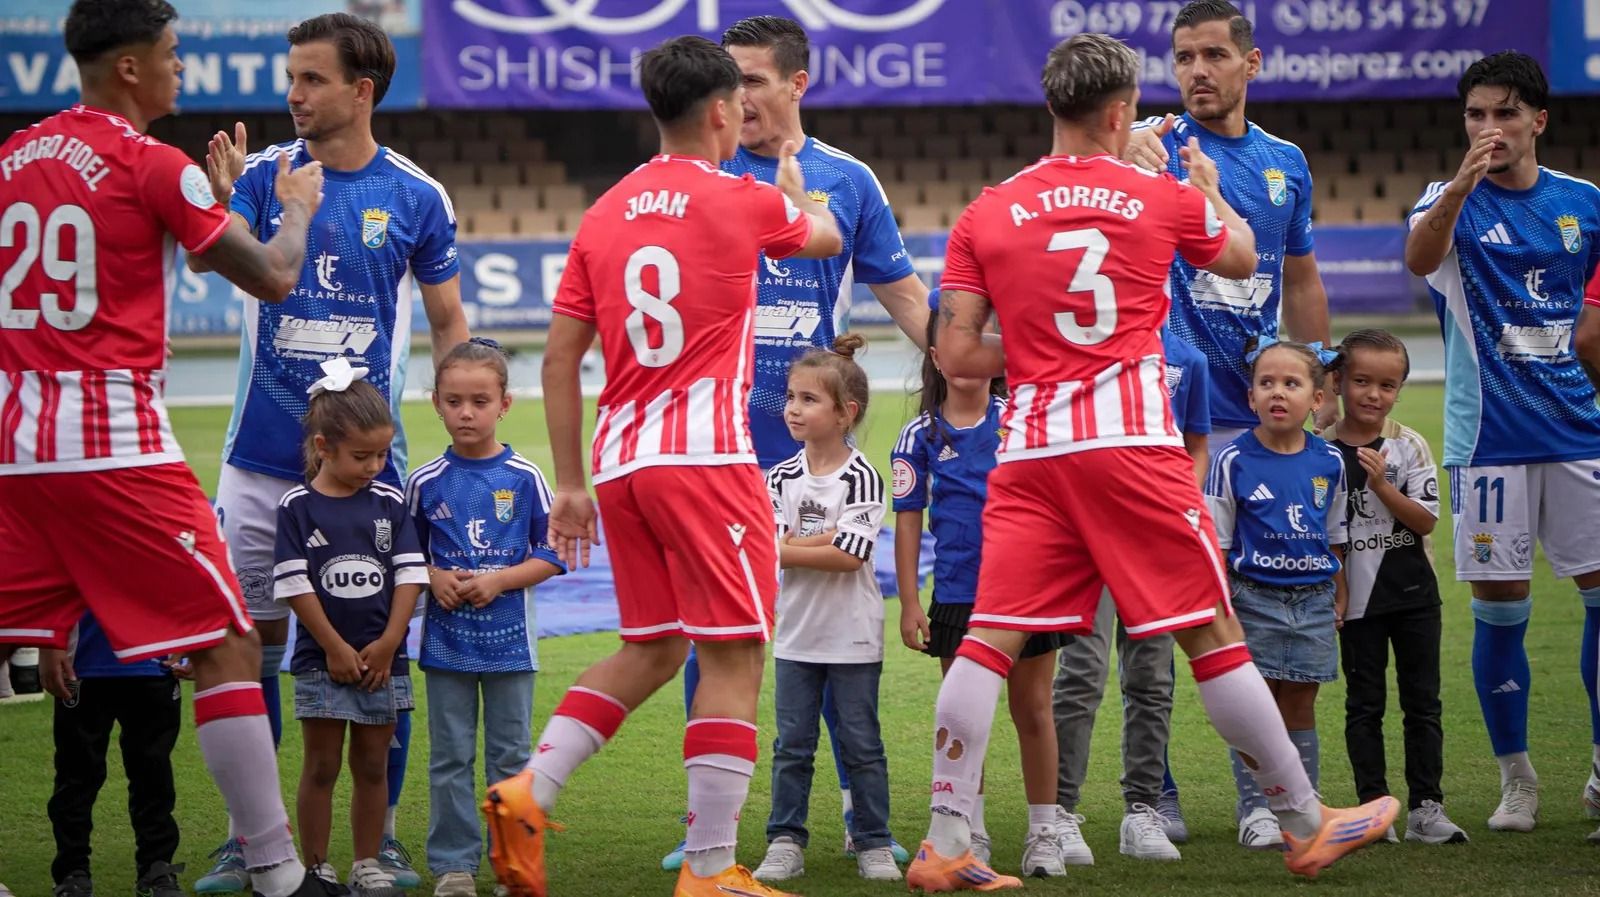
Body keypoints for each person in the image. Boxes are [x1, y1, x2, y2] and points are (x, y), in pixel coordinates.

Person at [902, 34, 1397, 892]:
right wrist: (1206, 189)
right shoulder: (1157, 194)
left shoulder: (988, 210)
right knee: (1209, 626)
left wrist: (1039, 346)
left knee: (989, 638)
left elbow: (956, 355)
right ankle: (1306, 821)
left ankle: (947, 837)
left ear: (1052, 106)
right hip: (1131, 444)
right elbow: (1243, 259)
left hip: (1031, 450)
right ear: (1121, 111)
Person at [481, 35, 841, 897]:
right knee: (734, 655)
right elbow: (824, 238)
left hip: (621, 462)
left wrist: (568, 485)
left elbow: (559, 360)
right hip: (707, 459)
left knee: (650, 645)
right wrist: (800, 195)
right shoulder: (745, 197)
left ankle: (530, 787)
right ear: (721, 112)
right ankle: (712, 869)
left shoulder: (604, 212)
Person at [0, 1, 339, 894]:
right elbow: (270, 272)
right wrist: (294, 209)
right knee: (228, 644)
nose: (181, 70)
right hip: (111, 443)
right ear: (129, 70)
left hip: (13, 442)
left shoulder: (9, 162)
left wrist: (215, 199)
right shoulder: (147, 160)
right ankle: (277, 870)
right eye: (174, 55)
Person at [189, 13, 468, 891]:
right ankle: (255, 835)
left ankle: (377, 840)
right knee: (249, 647)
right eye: (291, 78)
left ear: (361, 90)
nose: (293, 95)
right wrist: (230, 200)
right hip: (259, 461)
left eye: (311, 79)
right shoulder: (267, 177)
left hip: (366, 478)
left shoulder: (418, 195)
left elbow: (449, 319)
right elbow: (207, 264)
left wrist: (459, 418)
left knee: (375, 648)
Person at [661, 16, 930, 869]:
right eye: (725, 82)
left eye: (751, 79)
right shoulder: (695, 175)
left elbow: (906, 297)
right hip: (718, 450)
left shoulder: (846, 182)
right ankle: (716, 827)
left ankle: (858, 812)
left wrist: (969, 376)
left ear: (796, 82)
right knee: (717, 639)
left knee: (825, 640)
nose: (736, 97)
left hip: (816, 458)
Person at [1403, 50, 1600, 837]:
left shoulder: (1585, 204)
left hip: (1580, 431)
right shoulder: (1443, 201)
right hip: (1486, 442)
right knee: (1501, 608)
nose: (1491, 129)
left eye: (1506, 114)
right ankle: (1516, 777)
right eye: (1477, 115)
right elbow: (1419, 258)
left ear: (1538, 120)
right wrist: (1460, 184)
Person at [893, 302, 1069, 876]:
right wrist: (912, 601)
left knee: (1034, 710)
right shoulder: (919, 435)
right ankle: (970, 832)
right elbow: (908, 519)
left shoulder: (1022, 419)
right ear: (937, 358)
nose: (969, 356)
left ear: (997, 357)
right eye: (955, 342)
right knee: (965, 718)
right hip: (957, 597)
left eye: (982, 341)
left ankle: (1045, 831)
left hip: (1026, 592)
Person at [1122, 0, 1334, 447]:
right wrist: (1115, 148)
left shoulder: (1286, 161)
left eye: (1215, 55)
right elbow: (1070, 172)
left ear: (1251, 63)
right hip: (1165, 410)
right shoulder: (1149, 147)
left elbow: (1300, 283)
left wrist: (1324, 382)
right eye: (1185, 58)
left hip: (1256, 408)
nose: (1198, 70)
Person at [405, 338, 566, 897]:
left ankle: (512, 864)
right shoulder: (424, 483)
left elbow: (552, 554)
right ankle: (454, 865)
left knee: (512, 755)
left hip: (511, 647)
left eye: (479, 400)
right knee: (449, 756)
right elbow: (404, 558)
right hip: (445, 644)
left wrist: (499, 579)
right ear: (435, 403)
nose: (466, 412)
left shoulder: (525, 477)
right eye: (454, 401)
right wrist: (432, 576)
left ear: (504, 404)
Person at [1050, 324, 1211, 864]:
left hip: (1152, 543)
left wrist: (1175, 517)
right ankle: (1059, 813)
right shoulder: (1077, 341)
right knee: (1081, 674)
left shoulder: (1188, 359)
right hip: (1087, 540)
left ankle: (1142, 810)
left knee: (1151, 678)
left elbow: (1195, 449)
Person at [274, 361, 429, 896]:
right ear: (324, 446)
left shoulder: (389, 501)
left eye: (382, 455)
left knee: (372, 764)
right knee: (320, 766)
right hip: (322, 663)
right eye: (363, 456)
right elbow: (295, 585)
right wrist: (335, 647)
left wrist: (389, 643)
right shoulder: (297, 507)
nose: (375, 466)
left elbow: (410, 575)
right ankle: (316, 869)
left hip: (384, 663)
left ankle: (368, 864)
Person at [754, 334, 900, 883]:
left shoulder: (862, 476)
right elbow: (767, 555)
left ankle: (873, 842)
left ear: (846, 413)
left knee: (861, 745)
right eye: (792, 397)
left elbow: (849, 556)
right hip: (795, 637)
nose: (793, 408)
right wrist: (820, 542)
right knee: (792, 746)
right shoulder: (780, 477)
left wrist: (792, 547)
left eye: (809, 399)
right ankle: (785, 840)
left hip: (853, 637)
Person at [1319, 329, 1468, 845]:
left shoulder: (1408, 445)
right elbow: (1323, 536)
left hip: (1414, 600)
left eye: (1386, 384)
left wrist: (1382, 484)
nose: (1372, 394)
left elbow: (1426, 521)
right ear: (1337, 381)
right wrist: (1334, 595)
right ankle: (1372, 810)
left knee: (1422, 703)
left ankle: (1428, 807)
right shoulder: (1318, 450)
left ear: (1399, 390)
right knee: (1364, 706)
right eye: (1360, 380)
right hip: (1354, 602)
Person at [1205, 339, 1349, 849]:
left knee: (1301, 705)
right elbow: (1218, 543)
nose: (1277, 393)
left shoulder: (1330, 461)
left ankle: (1301, 807)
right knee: (1257, 707)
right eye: (1267, 383)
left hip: (1311, 599)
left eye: (1291, 383)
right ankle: (1257, 810)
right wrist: (1224, 608)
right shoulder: (1231, 460)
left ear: (1316, 399)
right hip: (1253, 598)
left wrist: (1339, 591)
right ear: (1250, 397)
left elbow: (1335, 534)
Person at [40, 612, 185, 897]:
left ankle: (157, 867)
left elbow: (185, 577)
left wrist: (193, 641)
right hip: (80, 668)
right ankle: (72, 871)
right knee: (76, 775)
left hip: (154, 666)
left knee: (153, 774)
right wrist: (49, 646)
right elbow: (55, 583)